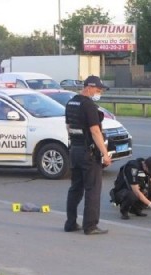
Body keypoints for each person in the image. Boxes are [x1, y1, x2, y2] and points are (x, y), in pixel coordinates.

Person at [64, 75, 112, 235]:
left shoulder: (71, 103)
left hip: (75, 150)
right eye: (98, 89)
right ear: (89, 87)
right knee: (93, 189)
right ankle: (90, 226)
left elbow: (68, 126)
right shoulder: (88, 105)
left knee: (75, 188)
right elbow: (95, 131)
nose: (99, 92)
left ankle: (70, 223)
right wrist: (105, 154)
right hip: (88, 153)